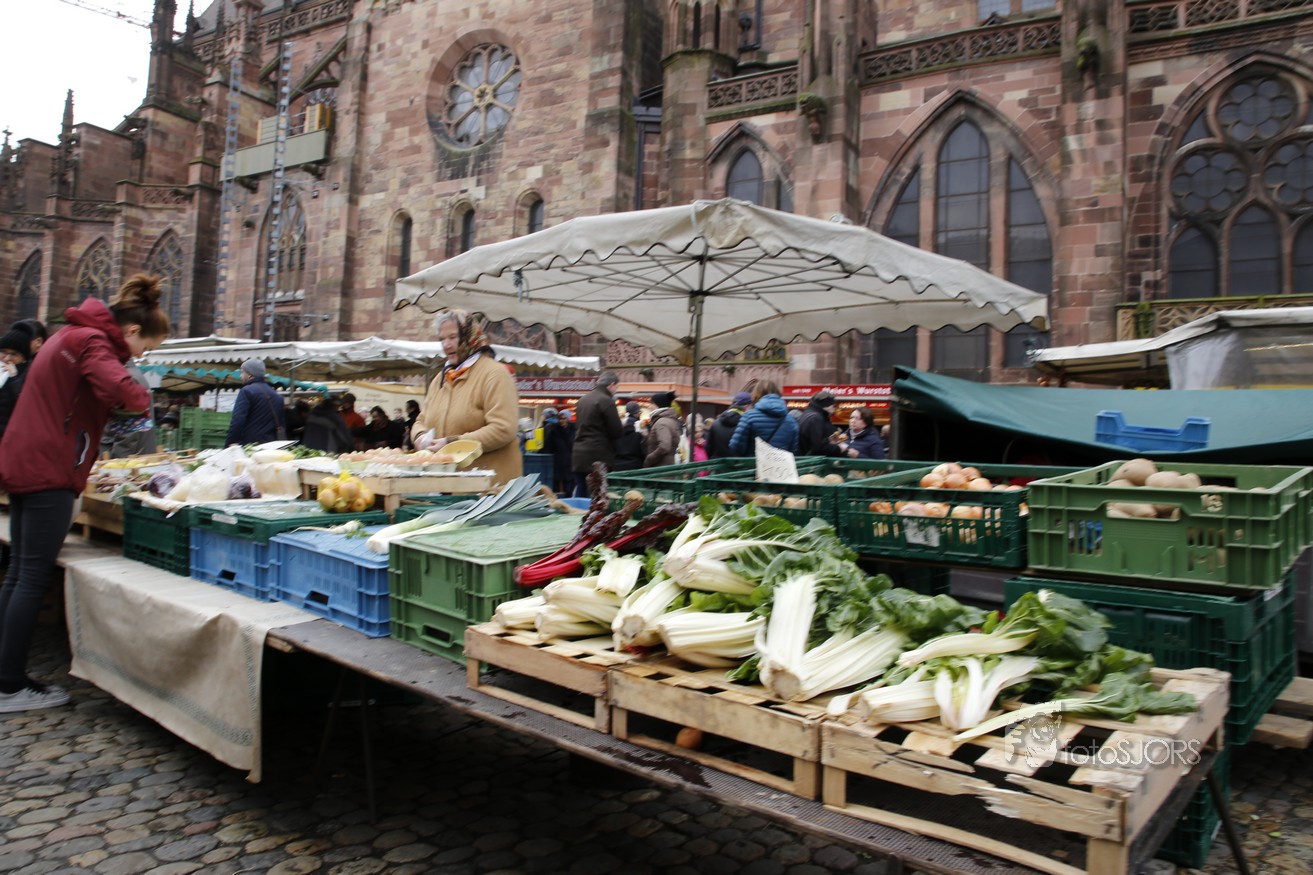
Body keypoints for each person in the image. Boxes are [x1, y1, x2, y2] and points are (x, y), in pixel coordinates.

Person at [0, 273, 169, 712]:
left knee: (19, 572)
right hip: (51, 466)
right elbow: (124, 391)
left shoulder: (70, 333)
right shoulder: (93, 341)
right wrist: (139, 396)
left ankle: (6, 674)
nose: (141, 356)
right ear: (132, 330)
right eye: (146, 347)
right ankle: (9, 685)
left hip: (26, 459)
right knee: (31, 576)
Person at [411, 309, 522, 486]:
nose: (446, 345)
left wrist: (453, 444)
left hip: (490, 487)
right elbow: (421, 420)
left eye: (453, 337)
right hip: (450, 486)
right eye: (442, 339)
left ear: (469, 336)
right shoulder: (440, 379)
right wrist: (420, 436)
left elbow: (503, 429)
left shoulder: (495, 374)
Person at [570, 372, 624, 495]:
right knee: (597, 495)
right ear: (611, 385)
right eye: (616, 387)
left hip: (578, 454)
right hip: (597, 456)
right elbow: (616, 431)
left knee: (581, 490)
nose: (616, 391)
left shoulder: (583, 399)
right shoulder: (606, 401)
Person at [100, 360, 157, 458]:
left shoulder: (127, 379)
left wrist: (115, 462)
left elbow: (128, 435)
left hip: (129, 459)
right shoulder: (131, 375)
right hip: (137, 456)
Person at [225, 358, 287, 446]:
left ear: (250, 374)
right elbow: (281, 424)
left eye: (242, 372)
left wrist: (229, 443)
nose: (240, 376)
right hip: (271, 445)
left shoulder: (247, 391)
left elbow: (237, 421)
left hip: (250, 446)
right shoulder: (277, 396)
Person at [728, 380, 798, 455]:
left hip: (753, 462)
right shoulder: (791, 421)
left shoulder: (749, 416)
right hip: (780, 462)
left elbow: (735, 447)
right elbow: (793, 450)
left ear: (756, 394)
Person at [0, 328, 32, 440]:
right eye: (3, 351)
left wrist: (14, 379)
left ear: (24, 359)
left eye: (14, 354)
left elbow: (23, 406)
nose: (7, 358)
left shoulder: (26, 376)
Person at [540, 407, 576, 495]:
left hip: (570, 462)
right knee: (555, 488)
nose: (561, 421)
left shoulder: (574, 430)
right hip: (558, 462)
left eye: (564, 419)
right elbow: (548, 445)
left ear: (568, 419)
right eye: (560, 419)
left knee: (569, 488)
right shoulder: (554, 431)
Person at [796, 390, 843, 457]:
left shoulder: (807, 414)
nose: (834, 408)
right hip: (811, 460)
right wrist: (839, 449)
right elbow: (818, 447)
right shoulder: (816, 418)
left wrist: (828, 440)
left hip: (803, 458)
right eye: (833, 406)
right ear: (826, 405)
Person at [643, 390, 683, 468]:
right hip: (667, 466)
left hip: (660, 468)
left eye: (651, 403)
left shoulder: (662, 422)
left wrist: (649, 459)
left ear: (657, 405)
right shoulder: (670, 420)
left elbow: (664, 447)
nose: (649, 406)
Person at [707, 390, 751, 458]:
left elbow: (708, 448)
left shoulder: (715, 423)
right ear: (746, 407)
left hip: (718, 464)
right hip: (739, 464)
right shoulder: (746, 424)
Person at [612, 401, 645, 471]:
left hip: (617, 465)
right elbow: (643, 447)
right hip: (636, 465)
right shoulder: (640, 427)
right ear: (637, 413)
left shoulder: (617, 426)